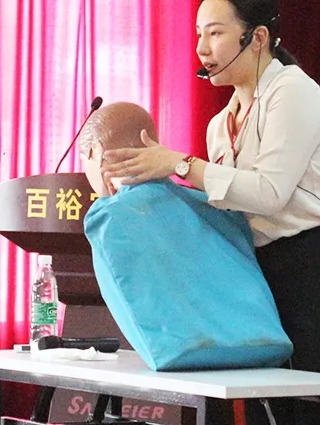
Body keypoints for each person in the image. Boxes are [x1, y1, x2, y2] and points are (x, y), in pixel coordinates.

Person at [101, 0, 320, 425]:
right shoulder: (219, 124)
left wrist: (179, 164)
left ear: (257, 37)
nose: (201, 48)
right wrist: (155, 192)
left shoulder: (293, 90)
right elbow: (230, 205)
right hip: (262, 272)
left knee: (316, 410)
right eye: (198, 35)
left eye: (215, 33)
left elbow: (269, 192)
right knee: (269, 407)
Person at [77, 101, 293, 373]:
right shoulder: (213, 205)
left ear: (97, 152)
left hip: (180, 353)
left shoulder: (109, 217)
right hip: (265, 345)